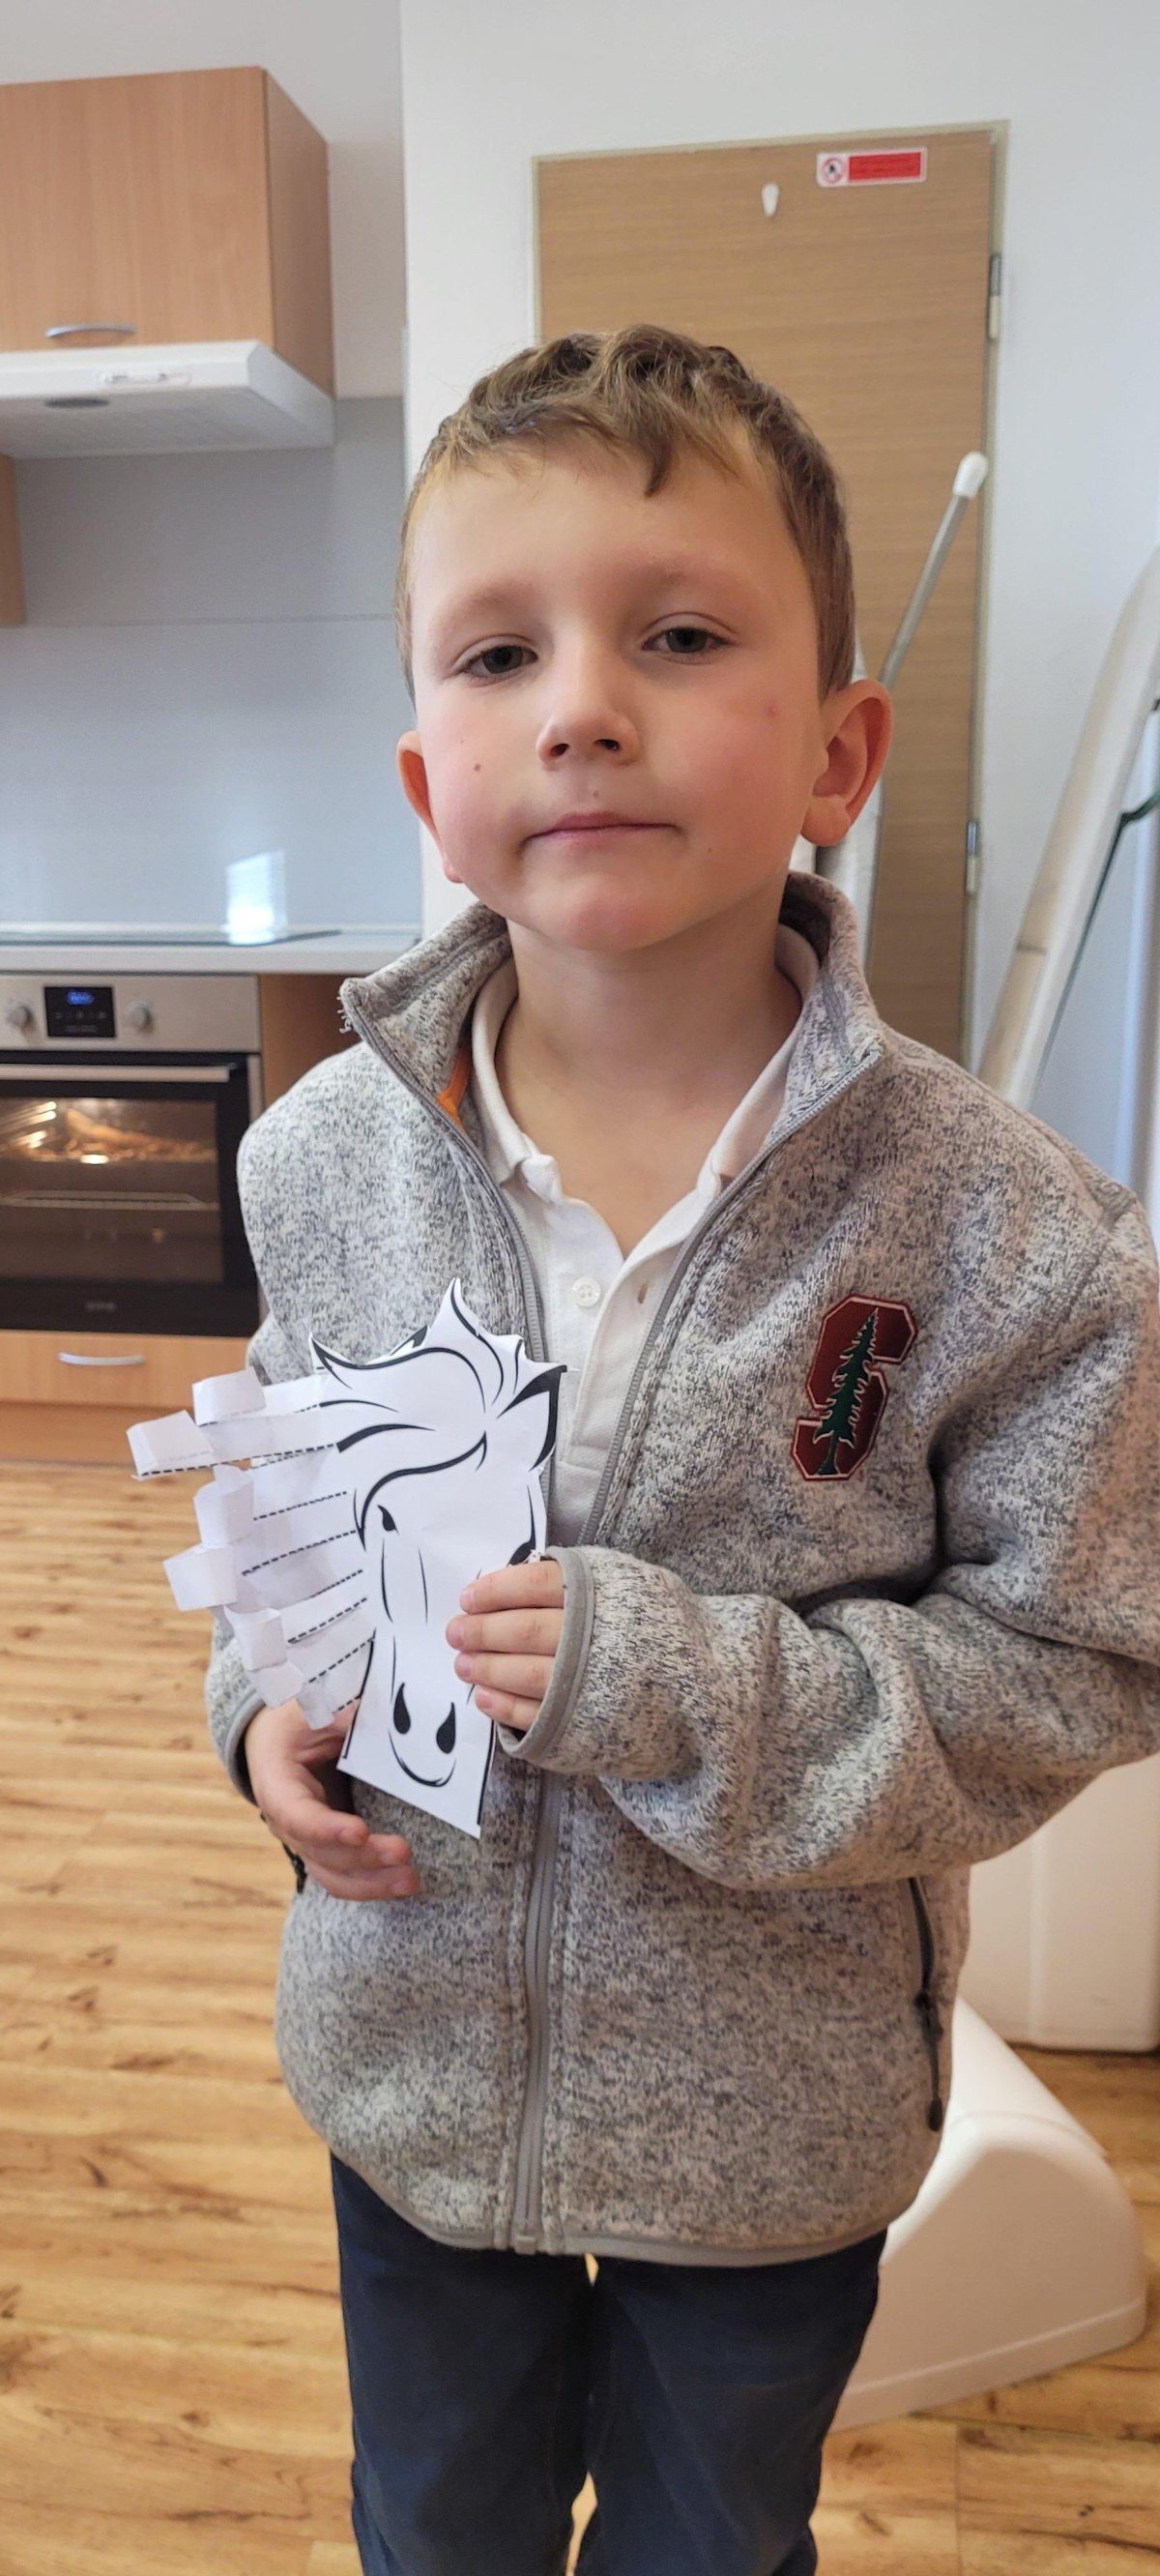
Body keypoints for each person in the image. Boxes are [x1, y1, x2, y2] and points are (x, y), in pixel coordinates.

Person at [206, 324, 1160, 2576]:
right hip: (411, 2076)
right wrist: (260, 1712)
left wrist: (673, 1683)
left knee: (710, 2549)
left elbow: (1080, 1660)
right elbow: (278, 1514)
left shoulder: (1009, 1229)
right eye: (499, 652)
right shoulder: (324, 1156)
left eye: (680, 635)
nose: (581, 707)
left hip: (772, 2132)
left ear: (839, 752)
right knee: (431, 2532)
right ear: (429, 780)